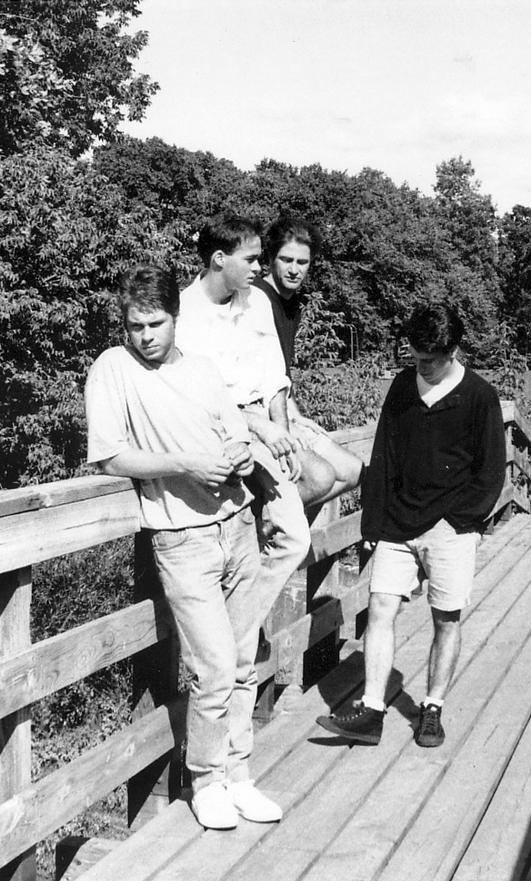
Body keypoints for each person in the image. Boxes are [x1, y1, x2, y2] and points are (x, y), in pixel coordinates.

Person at [85, 265, 282, 831]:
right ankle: (207, 780)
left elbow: (235, 431)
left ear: (175, 317)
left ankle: (239, 775)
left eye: (156, 323)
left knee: (243, 662)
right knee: (213, 666)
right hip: (182, 537)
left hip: (236, 524)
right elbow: (109, 456)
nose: (145, 336)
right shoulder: (113, 368)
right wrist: (184, 464)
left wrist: (241, 453)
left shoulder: (201, 368)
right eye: (135, 325)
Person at [317, 303, 506, 747]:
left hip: (450, 529)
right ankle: (372, 709)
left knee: (446, 618)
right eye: (416, 357)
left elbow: (491, 471)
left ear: (453, 352)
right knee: (380, 608)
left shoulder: (479, 396)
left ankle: (432, 708)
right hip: (399, 523)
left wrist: (461, 521)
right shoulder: (403, 387)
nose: (421, 367)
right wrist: (373, 526)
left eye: (430, 361)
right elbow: (383, 457)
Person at [175, 214, 311, 626]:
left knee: (294, 540)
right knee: (243, 549)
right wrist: (259, 426)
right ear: (220, 259)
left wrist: (281, 432)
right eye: (250, 259)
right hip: (219, 434)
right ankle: (233, 638)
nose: (258, 267)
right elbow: (201, 400)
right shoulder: (185, 313)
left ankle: (237, 628)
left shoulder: (255, 302)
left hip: (261, 427)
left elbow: (274, 376)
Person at [253, 215, 363, 503]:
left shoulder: (293, 304)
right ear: (270, 259)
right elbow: (260, 377)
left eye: (302, 262)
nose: (294, 270)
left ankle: (285, 521)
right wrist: (287, 425)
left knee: (352, 471)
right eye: (286, 260)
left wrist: (298, 417)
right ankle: (268, 523)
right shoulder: (256, 298)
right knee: (319, 477)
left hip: (284, 409)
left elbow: (281, 373)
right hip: (261, 416)